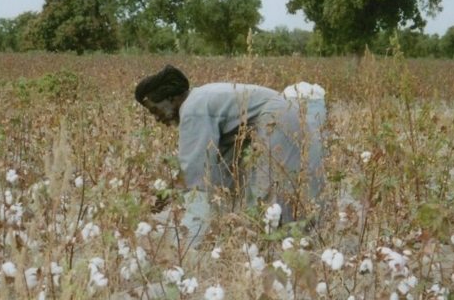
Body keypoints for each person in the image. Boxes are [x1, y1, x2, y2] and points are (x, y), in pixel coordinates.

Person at [135, 64, 325, 242]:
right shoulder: (199, 99)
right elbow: (215, 167)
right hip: (281, 113)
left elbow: (193, 170)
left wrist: (161, 197)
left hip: (277, 119)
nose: (156, 118)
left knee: (271, 189)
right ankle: (261, 237)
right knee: (244, 182)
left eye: (154, 110)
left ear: (170, 98)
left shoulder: (193, 109)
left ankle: (285, 243)